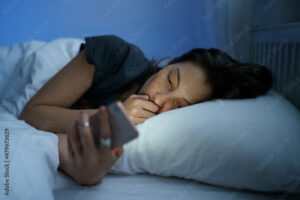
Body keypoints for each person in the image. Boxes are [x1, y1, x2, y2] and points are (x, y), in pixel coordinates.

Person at [18, 35, 273, 185]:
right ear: (168, 64)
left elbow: (67, 150)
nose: (160, 99)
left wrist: (92, 170)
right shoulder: (115, 55)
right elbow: (32, 114)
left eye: (179, 105)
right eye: (170, 80)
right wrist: (115, 115)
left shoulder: (153, 124)